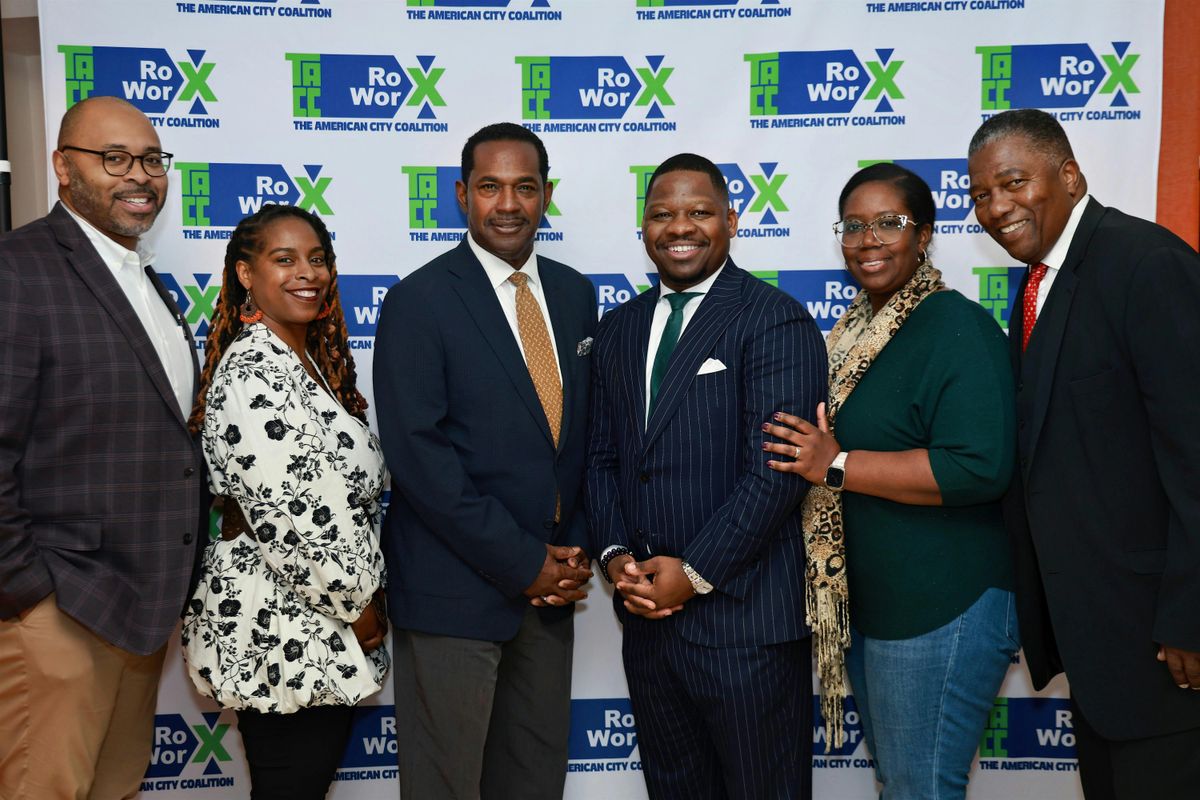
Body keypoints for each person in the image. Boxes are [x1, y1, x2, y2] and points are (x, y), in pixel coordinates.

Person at [764, 162, 1019, 799]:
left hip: (942, 603)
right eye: (853, 226)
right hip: (873, 606)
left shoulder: (956, 327)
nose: (868, 239)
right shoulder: (856, 334)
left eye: (889, 222)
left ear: (924, 234)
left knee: (917, 788)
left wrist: (837, 464)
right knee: (900, 784)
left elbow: (978, 467)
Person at [966, 108, 1200, 799]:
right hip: (1101, 651)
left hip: (1165, 646)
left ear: (1069, 176)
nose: (996, 207)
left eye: (1013, 183)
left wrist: (1191, 617)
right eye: (980, 194)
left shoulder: (1147, 265)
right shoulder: (1041, 281)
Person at [586, 152, 824, 799]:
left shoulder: (774, 318)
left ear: (731, 221)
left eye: (699, 212)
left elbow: (779, 471)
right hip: (648, 630)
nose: (680, 227)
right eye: (662, 214)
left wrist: (691, 575)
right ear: (644, 226)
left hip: (745, 628)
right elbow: (601, 459)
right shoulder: (618, 329)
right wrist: (615, 558)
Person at [373, 122, 595, 800]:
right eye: (490, 186)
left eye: (524, 187)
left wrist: (569, 555)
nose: (508, 204)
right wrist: (524, 561)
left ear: (546, 196)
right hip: (454, 593)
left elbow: (583, 441)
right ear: (462, 195)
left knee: (533, 783)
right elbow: (420, 458)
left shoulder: (575, 294)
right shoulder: (419, 300)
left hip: (549, 598)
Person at [0, 96, 205, 798]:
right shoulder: (18, 269)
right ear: (63, 167)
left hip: (141, 612)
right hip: (60, 612)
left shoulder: (142, 279)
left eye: (151, 159)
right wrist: (30, 596)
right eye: (113, 158)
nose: (139, 175)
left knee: (114, 787)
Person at [181, 204, 389, 800]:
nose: (307, 273)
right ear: (246, 274)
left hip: (310, 629)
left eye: (317, 259)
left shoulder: (300, 360)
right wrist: (359, 606)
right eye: (285, 259)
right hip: (280, 631)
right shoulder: (255, 369)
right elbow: (291, 517)